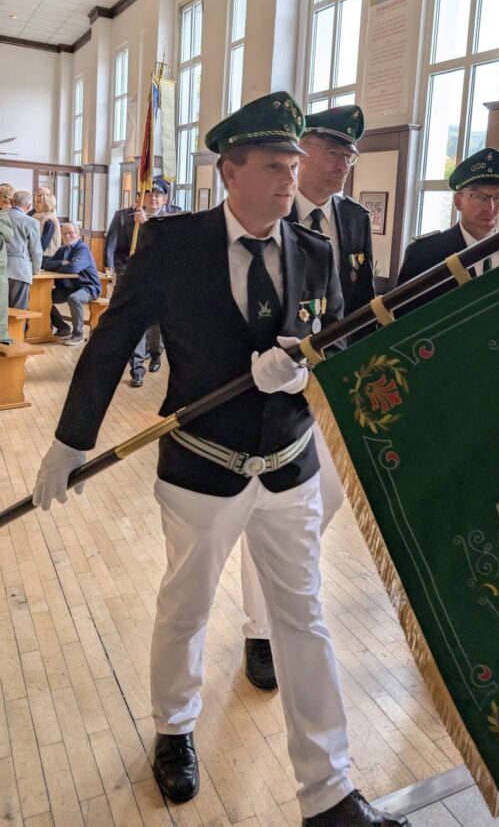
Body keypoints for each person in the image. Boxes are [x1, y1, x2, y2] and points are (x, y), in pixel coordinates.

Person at [32, 91, 409, 827]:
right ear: (229, 171)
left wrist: (304, 372)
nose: (289, 180)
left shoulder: (315, 251)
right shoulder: (172, 245)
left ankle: (329, 791)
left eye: (293, 166)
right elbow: (111, 343)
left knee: (303, 619)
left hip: (289, 466)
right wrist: (71, 441)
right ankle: (175, 728)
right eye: (273, 166)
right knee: (187, 605)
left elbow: (333, 341)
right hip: (202, 467)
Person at [240, 104, 376, 691]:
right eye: (333, 151)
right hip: (270, 386)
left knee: (324, 501)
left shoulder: (353, 218)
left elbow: (361, 304)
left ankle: (286, 592)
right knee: (267, 509)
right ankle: (260, 630)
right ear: (303, 151)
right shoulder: (269, 208)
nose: (343, 163)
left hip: (333, 385)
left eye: (350, 154)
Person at [397, 148, 499, 309]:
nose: (490, 207)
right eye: (479, 197)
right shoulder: (424, 254)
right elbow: (400, 318)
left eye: (498, 197)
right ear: (458, 201)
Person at [104, 176, 181, 386]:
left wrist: (148, 225)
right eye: (149, 195)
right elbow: (116, 245)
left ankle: (155, 353)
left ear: (165, 199)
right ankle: (137, 368)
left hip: (161, 277)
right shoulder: (127, 216)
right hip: (132, 275)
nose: (153, 199)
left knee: (156, 323)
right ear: (141, 198)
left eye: (157, 195)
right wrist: (117, 269)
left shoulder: (174, 216)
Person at [42, 223, 101, 346]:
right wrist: (62, 263)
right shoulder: (62, 250)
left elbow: (73, 268)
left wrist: (59, 266)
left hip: (88, 287)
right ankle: (63, 328)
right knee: (43, 298)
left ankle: (78, 335)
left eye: (70, 233)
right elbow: (46, 264)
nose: (67, 236)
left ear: (78, 235)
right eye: (64, 234)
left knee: (74, 299)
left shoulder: (82, 249)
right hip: (68, 287)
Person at [5, 190, 42, 312]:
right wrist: (35, 270)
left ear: (12, 202)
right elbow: (36, 250)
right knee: (18, 311)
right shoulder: (31, 222)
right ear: (29, 205)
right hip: (20, 271)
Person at [32, 191, 62, 257]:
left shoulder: (49, 220)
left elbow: (43, 245)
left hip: (47, 256)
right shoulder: (36, 217)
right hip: (38, 255)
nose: (35, 204)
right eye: (35, 202)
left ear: (46, 204)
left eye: (38, 202)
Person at [0, 205, 13, 344]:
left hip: (1, 269)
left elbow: (9, 236)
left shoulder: (2, 215)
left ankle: (1, 335)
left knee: (1, 306)